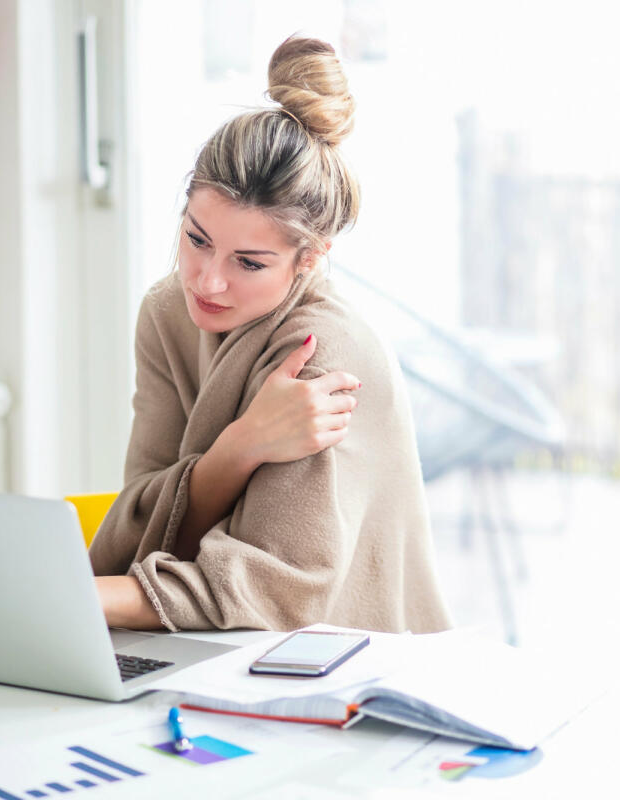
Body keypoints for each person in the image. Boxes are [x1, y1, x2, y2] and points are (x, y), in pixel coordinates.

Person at [89, 36, 451, 634]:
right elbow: (138, 525)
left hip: (346, 671)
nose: (207, 281)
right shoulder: (166, 313)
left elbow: (276, 590)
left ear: (308, 260)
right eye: (196, 239)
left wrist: (74, 595)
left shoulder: (323, 355)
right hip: (207, 653)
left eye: (249, 263)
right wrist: (239, 448)